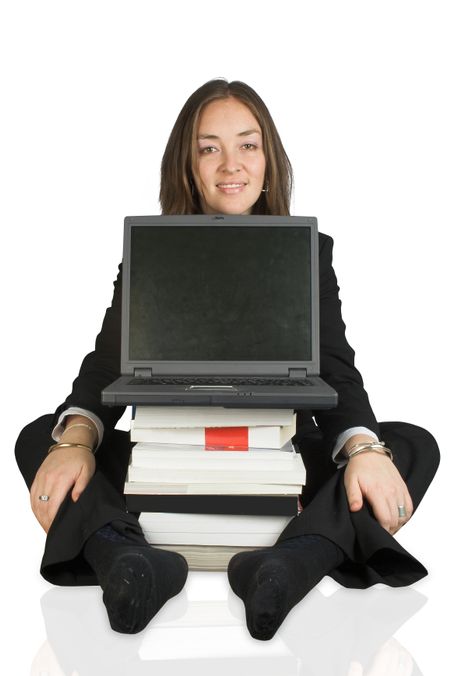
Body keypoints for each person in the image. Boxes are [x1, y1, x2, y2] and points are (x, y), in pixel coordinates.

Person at [15, 79, 440, 641]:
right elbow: (105, 364)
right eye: (209, 147)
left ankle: (287, 563)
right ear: (187, 166)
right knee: (39, 437)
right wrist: (74, 441)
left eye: (248, 144)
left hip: (277, 457)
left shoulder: (311, 253)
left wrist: (364, 449)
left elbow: (336, 369)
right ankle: (130, 562)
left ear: (269, 160)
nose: (230, 165)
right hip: (168, 456)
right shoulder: (151, 251)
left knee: (411, 443)